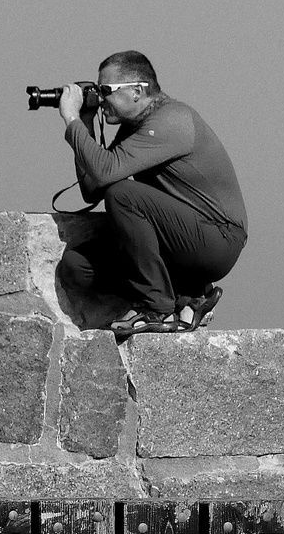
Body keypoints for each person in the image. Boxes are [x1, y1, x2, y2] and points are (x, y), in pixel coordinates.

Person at [54, 51, 246, 335]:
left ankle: (156, 308)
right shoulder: (135, 125)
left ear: (137, 91)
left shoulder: (171, 120)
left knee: (123, 194)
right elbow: (93, 188)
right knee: (77, 267)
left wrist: (70, 119)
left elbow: (107, 175)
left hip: (216, 240)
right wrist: (85, 121)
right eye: (98, 90)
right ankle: (187, 294)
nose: (101, 97)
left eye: (106, 90)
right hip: (176, 241)